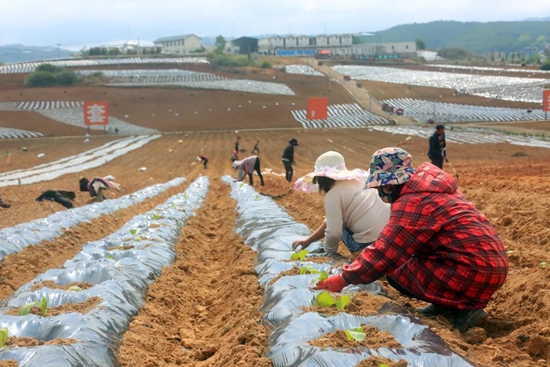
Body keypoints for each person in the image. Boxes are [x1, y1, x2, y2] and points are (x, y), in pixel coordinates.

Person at [316, 147, 508, 333]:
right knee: (411, 257)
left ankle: (462, 311)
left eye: (381, 187)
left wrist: (343, 279)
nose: (381, 192)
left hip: (471, 271)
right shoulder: (434, 190)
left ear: (390, 184)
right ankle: (445, 305)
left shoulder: (413, 201)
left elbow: (387, 253)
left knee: (394, 268)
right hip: (490, 265)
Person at [292, 151, 390, 257]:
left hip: (367, 247)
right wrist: (308, 241)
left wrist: (328, 253)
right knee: (338, 220)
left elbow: (334, 233)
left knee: (338, 226)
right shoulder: (361, 182)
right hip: (388, 242)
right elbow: (329, 222)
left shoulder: (333, 195)